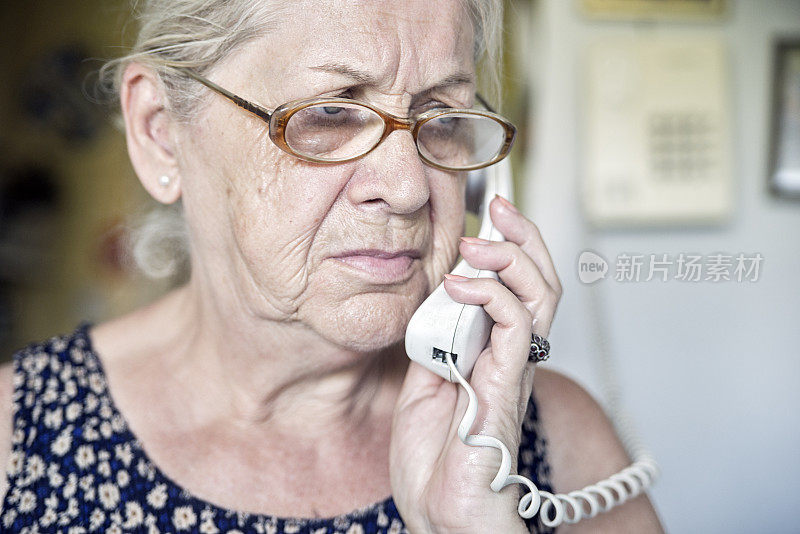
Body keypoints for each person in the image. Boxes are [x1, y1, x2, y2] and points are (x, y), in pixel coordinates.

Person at [0, 1, 664, 532]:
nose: (408, 189)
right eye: (330, 113)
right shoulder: (16, 437)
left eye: (441, 116)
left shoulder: (555, 438)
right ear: (159, 130)